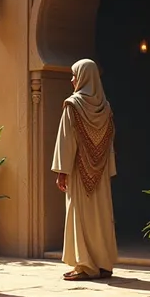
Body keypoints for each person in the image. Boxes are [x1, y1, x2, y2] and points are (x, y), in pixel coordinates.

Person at [51, 58, 118, 281]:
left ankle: (86, 266)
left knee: (80, 215)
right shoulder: (106, 108)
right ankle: (103, 264)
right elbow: (109, 143)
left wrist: (62, 171)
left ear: (83, 77)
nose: (71, 80)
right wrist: (106, 169)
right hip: (100, 174)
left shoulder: (73, 106)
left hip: (80, 173)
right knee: (100, 217)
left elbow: (66, 140)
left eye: (74, 75)